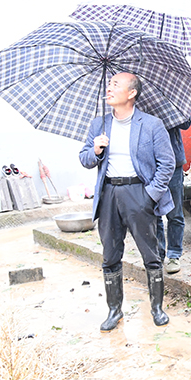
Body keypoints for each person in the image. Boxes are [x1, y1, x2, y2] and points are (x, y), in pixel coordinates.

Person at [79, 72, 175, 332]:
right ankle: (114, 310)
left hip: (138, 193)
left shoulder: (152, 124)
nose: (109, 89)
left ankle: (156, 307)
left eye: (116, 85)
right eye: (109, 84)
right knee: (110, 255)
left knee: (150, 254)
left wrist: (150, 195)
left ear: (132, 93)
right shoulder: (99, 124)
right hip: (109, 194)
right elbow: (85, 158)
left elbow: (167, 163)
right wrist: (96, 149)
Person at [157, 119, 191, 275]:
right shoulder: (138, 106)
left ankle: (174, 254)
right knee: (153, 214)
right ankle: (158, 254)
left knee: (175, 213)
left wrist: (170, 116)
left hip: (174, 163)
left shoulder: (170, 102)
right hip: (151, 164)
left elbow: (186, 124)